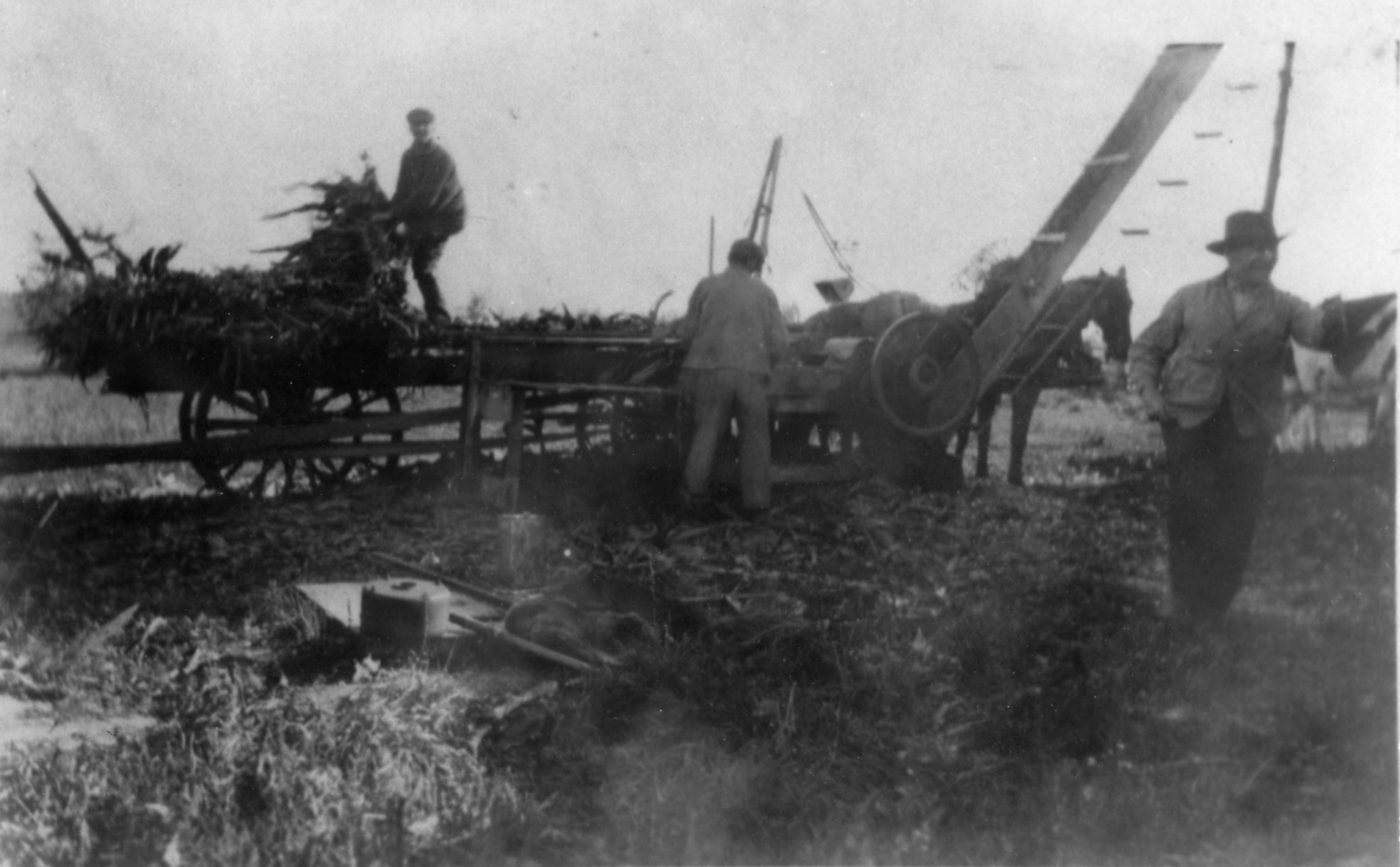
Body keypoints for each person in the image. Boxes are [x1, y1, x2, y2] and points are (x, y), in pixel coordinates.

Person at [1127, 210, 1342, 624]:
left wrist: (1334, 322)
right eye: (1254, 249)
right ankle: (1184, 600)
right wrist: (1149, 394)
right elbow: (1146, 350)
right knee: (1189, 509)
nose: (1264, 257)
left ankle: (1214, 608)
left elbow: (1316, 333)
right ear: (1230, 254)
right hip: (1189, 420)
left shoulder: (1286, 306)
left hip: (1249, 426)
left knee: (1237, 517)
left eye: (1270, 249)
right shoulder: (1190, 298)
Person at [675, 238, 789, 518]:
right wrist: (765, 361)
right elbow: (779, 344)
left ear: (731, 258)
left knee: (707, 433)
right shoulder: (765, 293)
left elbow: (686, 334)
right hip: (752, 374)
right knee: (756, 438)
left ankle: (694, 498)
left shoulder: (706, 286)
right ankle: (756, 504)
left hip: (710, 370)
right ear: (752, 262)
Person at [385, 107, 466, 322]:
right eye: (415, 125)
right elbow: (401, 192)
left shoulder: (441, 158)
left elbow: (426, 199)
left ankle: (440, 318)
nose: (420, 129)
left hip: (444, 218)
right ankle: (392, 308)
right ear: (410, 127)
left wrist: (401, 222)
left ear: (433, 126)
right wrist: (386, 214)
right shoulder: (408, 156)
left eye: (425, 124)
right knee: (395, 254)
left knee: (423, 267)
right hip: (423, 214)